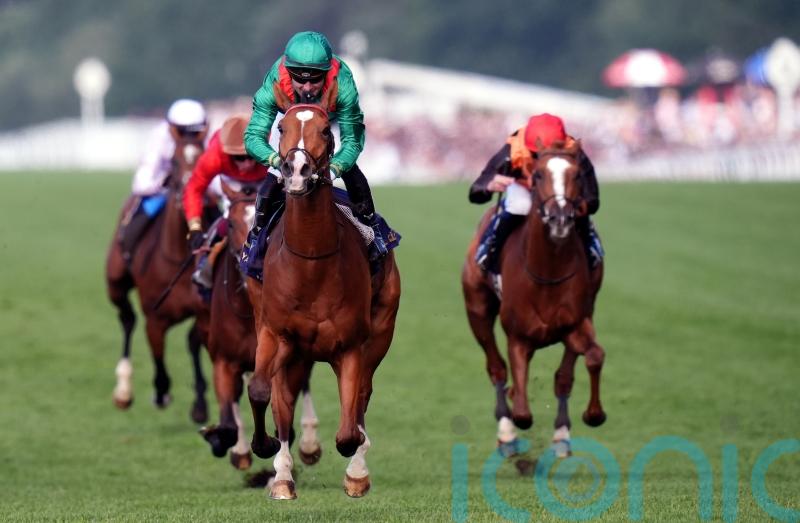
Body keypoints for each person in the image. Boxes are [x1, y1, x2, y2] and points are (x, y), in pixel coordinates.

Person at [242, 30, 387, 262]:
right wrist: (278, 162)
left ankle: (375, 236)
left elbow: (352, 139)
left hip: (328, 122)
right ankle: (254, 245)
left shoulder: (343, 83)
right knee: (267, 190)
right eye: (300, 79)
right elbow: (253, 136)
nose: (307, 87)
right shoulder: (274, 83)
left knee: (355, 178)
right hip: (292, 121)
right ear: (289, 74)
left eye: (315, 79)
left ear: (327, 73)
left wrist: (334, 168)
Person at [469, 113, 603, 273]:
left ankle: (590, 245)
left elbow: (592, 198)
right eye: (537, 155)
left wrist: (580, 206)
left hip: (557, 191)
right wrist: (488, 186)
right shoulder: (513, 149)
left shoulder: (575, 153)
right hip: (524, 187)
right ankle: (490, 247)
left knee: (569, 206)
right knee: (520, 206)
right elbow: (475, 191)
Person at [183, 115, 271, 292]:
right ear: (227, 152)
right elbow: (194, 189)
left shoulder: (270, 149)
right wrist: (194, 227)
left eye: (249, 155)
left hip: (266, 176)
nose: (246, 163)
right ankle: (205, 267)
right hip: (230, 181)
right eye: (238, 158)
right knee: (230, 219)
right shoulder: (214, 156)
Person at [119, 98, 208, 262]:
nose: (189, 137)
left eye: (195, 132)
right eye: (182, 131)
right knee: (140, 217)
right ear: (172, 128)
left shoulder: (207, 139)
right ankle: (127, 254)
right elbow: (142, 182)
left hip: (199, 192)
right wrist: (165, 182)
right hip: (163, 192)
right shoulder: (159, 138)